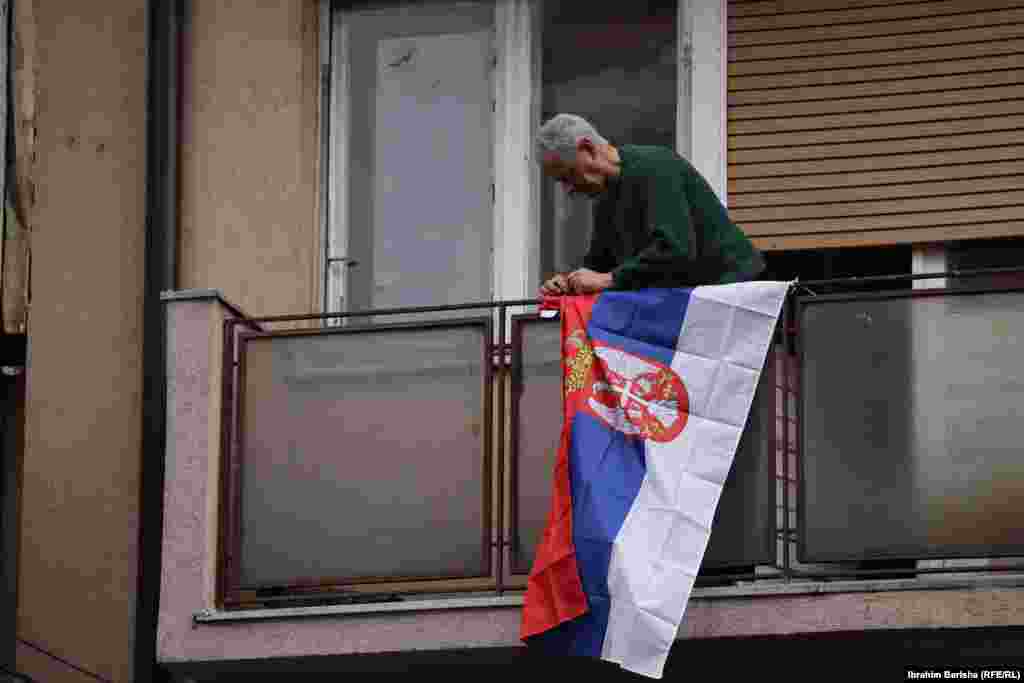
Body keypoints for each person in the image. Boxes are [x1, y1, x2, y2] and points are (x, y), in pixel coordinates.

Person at [537, 113, 765, 296]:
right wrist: (569, 283)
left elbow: (675, 251)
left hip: (737, 295)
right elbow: (599, 265)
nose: (568, 190)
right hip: (702, 300)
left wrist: (608, 280)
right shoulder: (606, 198)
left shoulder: (655, 167)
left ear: (587, 148)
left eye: (568, 175)